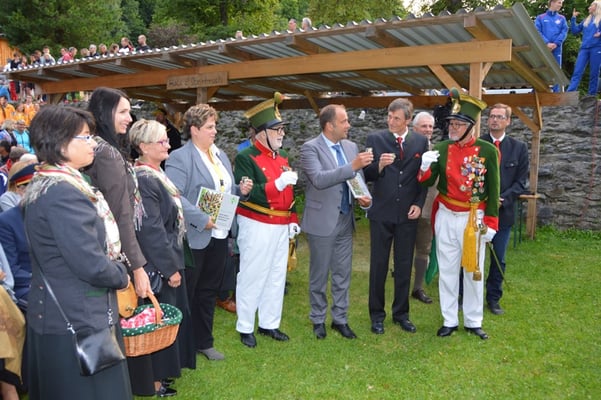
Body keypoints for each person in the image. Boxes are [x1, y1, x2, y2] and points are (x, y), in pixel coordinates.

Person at [23, 105, 132, 400]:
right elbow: (91, 264)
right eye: (84, 137)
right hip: (77, 319)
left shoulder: (52, 183)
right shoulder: (64, 192)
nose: (92, 143)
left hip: (65, 314)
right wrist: (122, 274)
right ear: (59, 143)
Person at [166, 104, 252, 359]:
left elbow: (224, 190)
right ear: (194, 130)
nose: (215, 131)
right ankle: (180, 347)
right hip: (195, 236)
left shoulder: (220, 155)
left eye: (215, 126)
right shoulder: (180, 157)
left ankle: (204, 342)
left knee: (208, 291)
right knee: (188, 292)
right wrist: (201, 219)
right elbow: (174, 195)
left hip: (219, 234)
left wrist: (240, 191)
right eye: (210, 127)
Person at [84, 86, 152, 395]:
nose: (129, 118)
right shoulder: (107, 153)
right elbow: (121, 214)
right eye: (123, 111)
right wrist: (137, 266)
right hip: (114, 252)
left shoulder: (100, 148)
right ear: (104, 112)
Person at [418, 88, 500, 340]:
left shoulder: (487, 151)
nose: (452, 128)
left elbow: (493, 188)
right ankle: (449, 319)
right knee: (448, 269)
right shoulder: (442, 148)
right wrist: (424, 166)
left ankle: (474, 321)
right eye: (451, 123)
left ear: (470, 126)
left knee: (473, 271)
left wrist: (491, 222)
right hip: (446, 214)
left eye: (458, 124)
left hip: (472, 217)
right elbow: (426, 181)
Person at [129, 119, 196, 396]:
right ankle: (154, 380)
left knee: (167, 317)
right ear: (143, 147)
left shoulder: (156, 174)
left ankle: (163, 374)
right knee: (159, 319)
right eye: (161, 141)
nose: (168, 145)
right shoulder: (145, 179)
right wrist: (170, 269)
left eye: (167, 140)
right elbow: (151, 230)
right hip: (158, 264)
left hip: (168, 255)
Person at [300, 104, 373, 340]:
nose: (348, 125)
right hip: (322, 221)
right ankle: (318, 319)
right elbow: (319, 179)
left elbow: (357, 178)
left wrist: (364, 199)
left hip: (345, 218)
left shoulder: (350, 146)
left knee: (343, 273)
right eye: (344, 121)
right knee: (319, 274)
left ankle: (340, 319)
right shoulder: (310, 148)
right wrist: (353, 166)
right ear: (330, 126)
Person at [234, 92, 300, 348]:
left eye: (282, 129)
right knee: (253, 274)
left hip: (281, 225)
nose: (282, 134)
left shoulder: (282, 157)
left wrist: (292, 217)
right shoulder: (246, 157)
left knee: (276, 275)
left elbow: (289, 193)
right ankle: (245, 325)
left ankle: (269, 323)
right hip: (257, 223)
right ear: (261, 133)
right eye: (277, 130)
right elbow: (248, 193)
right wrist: (277, 185)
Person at [363, 98, 428, 335]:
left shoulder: (420, 141)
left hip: (407, 215)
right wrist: (379, 166)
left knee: (403, 265)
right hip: (381, 213)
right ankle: (376, 315)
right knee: (378, 266)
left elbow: (423, 176)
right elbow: (366, 174)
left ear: (408, 120)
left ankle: (401, 314)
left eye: (396, 118)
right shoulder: (375, 139)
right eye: (389, 117)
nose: (391, 122)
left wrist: (419, 204)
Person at [481, 104, 529, 315]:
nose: (495, 120)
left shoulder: (518, 148)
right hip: (479, 211)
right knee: (471, 256)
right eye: (492, 116)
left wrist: (503, 199)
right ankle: (465, 295)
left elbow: (520, 182)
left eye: (500, 117)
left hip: (503, 213)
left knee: (498, 258)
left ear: (508, 121)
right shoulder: (478, 144)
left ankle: (493, 298)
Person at [410, 111, 437, 304]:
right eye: (424, 126)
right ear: (414, 128)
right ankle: (401, 280)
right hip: (405, 207)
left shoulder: (437, 152)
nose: (428, 130)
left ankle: (417, 287)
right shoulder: (405, 148)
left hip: (427, 208)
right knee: (402, 248)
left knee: (424, 249)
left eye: (430, 126)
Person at [566, 1, 601, 95]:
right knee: (577, 71)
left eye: (591, 5)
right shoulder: (586, 20)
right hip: (584, 49)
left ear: (597, 7)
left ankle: (591, 95)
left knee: (594, 72)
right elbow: (575, 31)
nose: (589, 7)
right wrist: (573, 18)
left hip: (597, 48)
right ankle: (570, 93)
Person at [535, 0, 568, 92]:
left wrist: (556, 43)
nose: (561, 5)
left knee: (556, 70)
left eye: (561, 3)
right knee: (540, 68)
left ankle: (556, 93)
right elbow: (537, 31)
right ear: (552, 2)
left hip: (557, 48)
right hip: (543, 47)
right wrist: (546, 43)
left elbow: (564, 31)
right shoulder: (540, 17)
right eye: (559, 2)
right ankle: (538, 90)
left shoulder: (562, 18)